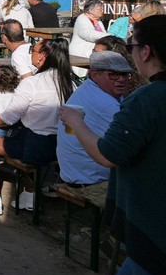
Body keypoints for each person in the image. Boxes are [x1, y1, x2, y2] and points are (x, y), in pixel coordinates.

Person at [60, 15, 166, 275]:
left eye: (132, 47)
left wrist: (75, 121)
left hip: (155, 230)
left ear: (147, 52)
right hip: (156, 226)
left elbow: (108, 154)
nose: (131, 56)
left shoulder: (149, 99)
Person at [0, 37, 73, 216]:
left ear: (42, 56)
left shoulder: (32, 83)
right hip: (60, 146)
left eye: (33, 51)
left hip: (33, 145)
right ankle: (29, 195)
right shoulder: (69, 83)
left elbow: (7, 119)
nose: (31, 55)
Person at [54, 51, 131, 208]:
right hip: (91, 184)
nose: (121, 79)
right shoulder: (105, 103)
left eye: (125, 74)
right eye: (114, 75)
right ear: (95, 74)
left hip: (76, 174)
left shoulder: (91, 88)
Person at [69, 0, 108, 77]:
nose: (102, 11)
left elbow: (102, 34)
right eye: (99, 9)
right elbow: (89, 35)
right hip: (82, 53)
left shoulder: (98, 20)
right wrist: (108, 36)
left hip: (95, 52)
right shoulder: (82, 19)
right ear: (91, 10)